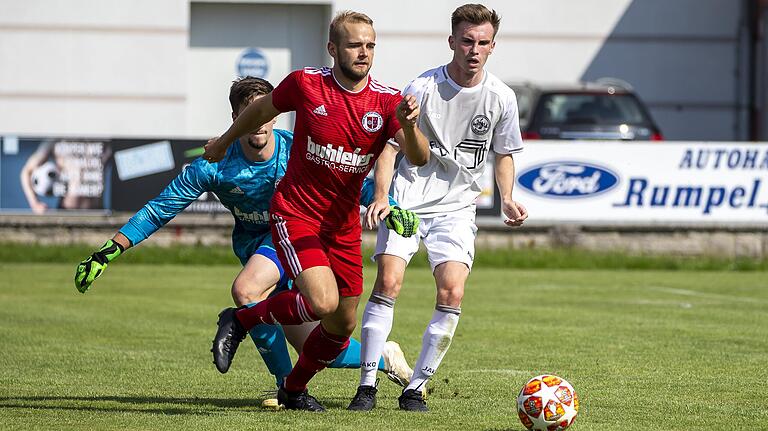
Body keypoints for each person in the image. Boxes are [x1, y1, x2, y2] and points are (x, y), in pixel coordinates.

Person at [73, 76, 419, 404]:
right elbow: (160, 208)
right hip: (260, 250)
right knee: (321, 349)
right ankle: (382, 356)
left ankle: (288, 391)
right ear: (237, 118)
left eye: (266, 114)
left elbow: (351, 181)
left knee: (247, 292)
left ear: (274, 115)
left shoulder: (296, 150)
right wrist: (110, 249)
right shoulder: (215, 165)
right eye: (249, 116)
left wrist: (389, 203)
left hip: (301, 239)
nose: (259, 124)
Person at [207, 11, 430, 412]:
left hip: (342, 227)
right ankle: (242, 320)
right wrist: (225, 142)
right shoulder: (306, 84)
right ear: (333, 49)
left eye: (370, 46)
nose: (364, 53)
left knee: (341, 326)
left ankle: (292, 389)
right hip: (296, 214)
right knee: (322, 302)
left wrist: (410, 126)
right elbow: (260, 112)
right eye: (354, 45)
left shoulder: (387, 101)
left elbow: (419, 156)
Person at [348, 3, 528, 412]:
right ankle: (367, 385)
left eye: (483, 42)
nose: (474, 50)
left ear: (493, 46)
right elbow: (390, 149)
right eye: (467, 41)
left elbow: (503, 154)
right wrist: (380, 197)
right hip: (409, 199)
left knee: (452, 291)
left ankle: (415, 387)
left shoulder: (501, 97)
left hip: (458, 208)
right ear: (452, 41)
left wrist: (508, 199)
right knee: (389, 283)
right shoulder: (422, 88)